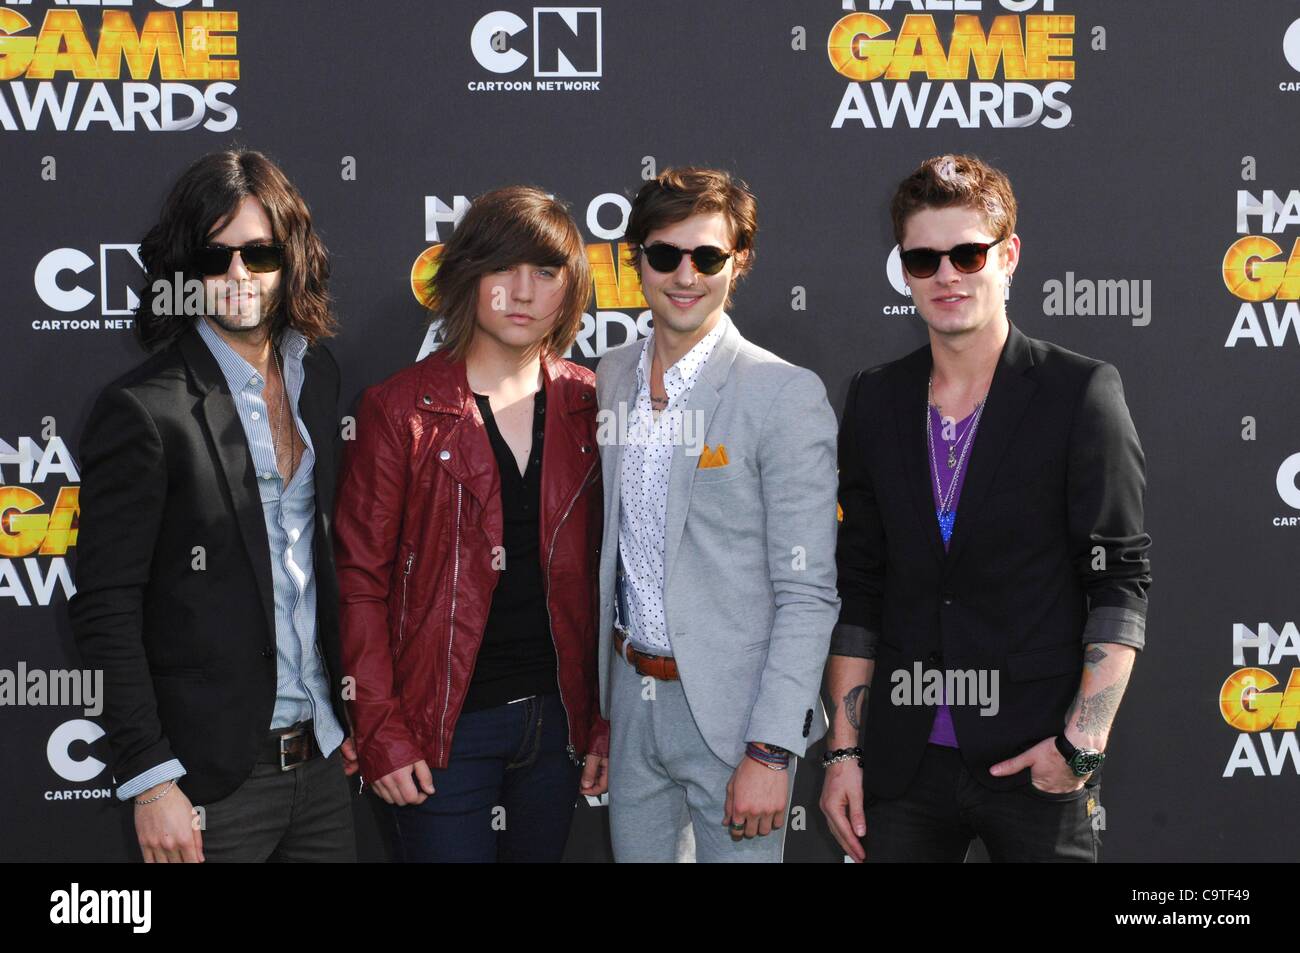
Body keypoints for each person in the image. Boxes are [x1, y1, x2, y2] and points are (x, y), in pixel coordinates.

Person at [820, 153, 1151, 863]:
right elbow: (861, 588)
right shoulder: (875, 398)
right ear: (903, 269)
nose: (947, 275)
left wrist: (1082, 745)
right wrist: (843, 753)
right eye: (924, 258)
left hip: (1036, 756)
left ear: (1009, 256)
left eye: (969, 254)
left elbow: (1118, 579)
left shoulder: (1080, 392)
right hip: (903, 764)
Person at [69, 149, 357, 862]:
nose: (238, 276)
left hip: (321, 769)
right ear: (184, 271)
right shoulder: (142, 411)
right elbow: (105, 606)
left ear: (289, 259)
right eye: (215, 256)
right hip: (210, 786)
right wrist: (149, 778)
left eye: (259, 253)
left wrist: (345, 720)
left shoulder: (314, 375)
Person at [333, 186, 608, 863]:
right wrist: (380, 727)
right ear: (468, 277)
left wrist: (602, 722)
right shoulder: (402, 410)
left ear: (569, 291)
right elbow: (360, 580)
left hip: (558, 730)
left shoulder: (593, 406)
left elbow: (618, 578)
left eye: (545, 272)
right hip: (440, 730)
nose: (522, 291)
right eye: (502, 269)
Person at [596, 167, 840, 862]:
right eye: (664, 253)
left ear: (740, 262)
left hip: (737, 722)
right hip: (630, 705)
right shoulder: (610, 376)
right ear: (634, 259)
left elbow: (807, 591)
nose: (685, 274)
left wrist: (771, 747)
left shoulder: (782, 394)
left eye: (708, 256)